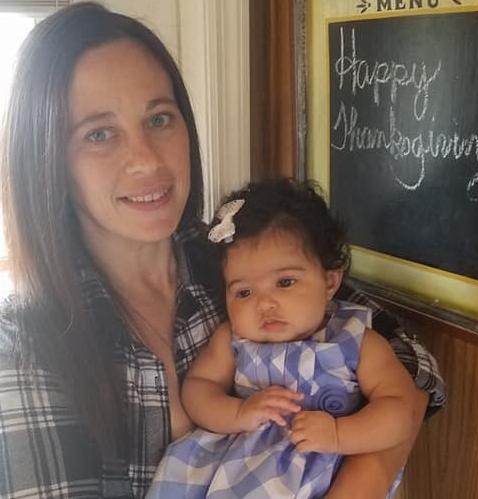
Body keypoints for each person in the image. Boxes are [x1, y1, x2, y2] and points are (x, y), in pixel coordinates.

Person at [0, 3, 445, 499]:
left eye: (159, 118)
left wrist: (365, 472)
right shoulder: (22, 350)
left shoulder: (228, 256)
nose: (146, 160)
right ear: (48, 162)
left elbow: (413, 362)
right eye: (99, 134)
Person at [146, 178, 421, 499]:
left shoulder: (357, 341)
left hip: (321, 469)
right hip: (237, 472)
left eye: (285, 282)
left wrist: (338, 434)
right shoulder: (233, 339)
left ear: (330, 282)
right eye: (244, 292)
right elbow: (198, 389)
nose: (264, 304)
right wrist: (238, 413)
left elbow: (400, 410)